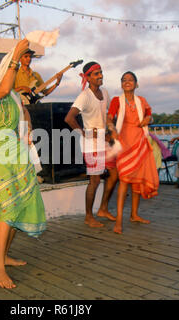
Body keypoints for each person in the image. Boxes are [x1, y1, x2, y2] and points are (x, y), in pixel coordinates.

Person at [0, 39, 46, 289]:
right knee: (7, 209)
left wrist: (27, 130)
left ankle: (3, 255)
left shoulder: (13, 94)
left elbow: (22, 111)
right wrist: (15, 55)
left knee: (19, 204)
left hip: (16, 152)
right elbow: (3, 90)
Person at [64, 61, 118, 228]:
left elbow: (108, 116)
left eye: (101, 72)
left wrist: (110, 130)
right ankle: (89, 216)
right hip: (91, 144)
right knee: (94, 181)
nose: (100, 75)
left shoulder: (105, 93)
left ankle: (102, 209)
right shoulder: (84, 96)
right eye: (96, 74)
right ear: (87, 77)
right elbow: (69, 118)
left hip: (105, 141)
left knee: (114, 175)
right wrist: (87, 133)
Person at [106, 71, 159, 234]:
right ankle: (119, 220)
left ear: (136, 84)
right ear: (121, 84)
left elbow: (150, 114)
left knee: (137, 179)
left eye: (130, 80)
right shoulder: (116, 100)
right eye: (124, 80)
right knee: (124, 180)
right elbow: (109, 117)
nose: (127, 82)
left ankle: (134, 215)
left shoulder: (142, 101)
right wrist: (111, 128)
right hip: (124, 143)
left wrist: (148, 119)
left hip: (140, 143)